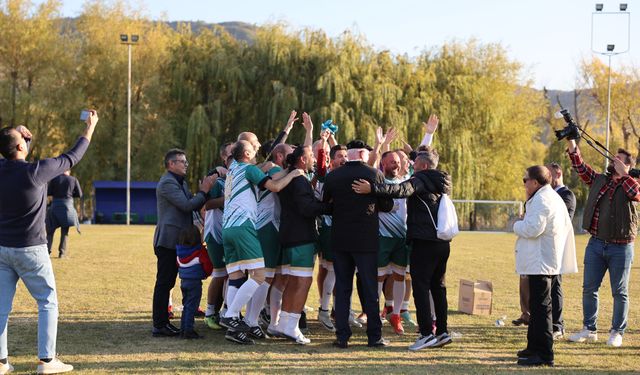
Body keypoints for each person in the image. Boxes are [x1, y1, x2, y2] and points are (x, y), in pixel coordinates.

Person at [0, 110, 98, 375]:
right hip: (31, 249)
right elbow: (72, 156)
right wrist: (89, 128)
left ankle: (0, 363)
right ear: (21, 145)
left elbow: (11, 154)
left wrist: (17, 139)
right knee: (47, 301)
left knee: (1, 306)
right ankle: (46, 361)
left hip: (2, 249)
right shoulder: (36, 172)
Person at [353, 148, 453, 351]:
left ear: (423, 166)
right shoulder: (440, 181)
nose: (411, 166)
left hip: (424, 242)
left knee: (422, 287)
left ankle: (426, 334)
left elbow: (399, 190)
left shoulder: (420, 179)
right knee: (438, 287)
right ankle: (441, 331)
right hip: (442, 243)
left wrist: (371, 189)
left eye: (414, 163)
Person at [219, 140, 302, 345]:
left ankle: (234, 327)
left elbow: (268, 176)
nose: (257, 153)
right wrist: (293, 174)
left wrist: (280, 170)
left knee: (237, 275)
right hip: (243, 226)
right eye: (254, 150)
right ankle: (231, 316)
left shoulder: (233, 169)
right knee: (259, 275)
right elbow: (273, 186)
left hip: (228, 227)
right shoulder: (248, 169)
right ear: (247, 153)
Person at [565, 139, 639, 347]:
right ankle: (589, 329)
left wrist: (625, 173)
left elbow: (636, 194)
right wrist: (572, 142)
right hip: (596, 244)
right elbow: (580, 166)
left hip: (621, 247)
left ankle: (617, 332)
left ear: (627, 166)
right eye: (614, 158)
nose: (613, 161)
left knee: (620, 292)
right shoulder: (600, 180)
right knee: (589, 288)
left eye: (619, 160)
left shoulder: (631, 183)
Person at [322, 139, 393, 349]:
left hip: (341, 238)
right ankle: (374, 336)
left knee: (343, 288)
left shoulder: (333, 176)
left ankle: (342, 336)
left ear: (349, 153)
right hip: (366, 239)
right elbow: (387, 205)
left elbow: (326, 204)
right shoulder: (373, 174)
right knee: (370, 288)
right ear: (363, 153)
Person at [513, 166, 577, 367]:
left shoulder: (542, 199)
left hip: (541, 261)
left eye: (526, 180)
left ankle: (544, 353)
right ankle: (533, 346)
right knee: (537, 306)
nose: (524, 183)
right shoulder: (547, 196)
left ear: (535, 182)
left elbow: (533, 228)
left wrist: (517, 224)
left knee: (541, 309)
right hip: (542, 260)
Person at [152, 149, 215, 338]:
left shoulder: (181, 182)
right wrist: (204, 191)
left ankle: (166, 322)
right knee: (165, 282)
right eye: (182, 161)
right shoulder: (167, 183)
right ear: (170, 164)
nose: (185, 164)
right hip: (168, 240)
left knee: (170, 281)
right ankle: (160, 324)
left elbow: (191, 206)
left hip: (179, 240)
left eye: (185, 161)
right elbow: (187, 205)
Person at [276, 145, 331, 344]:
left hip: (290, 236)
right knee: (302, 282)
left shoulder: (291, 176)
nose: (313, 160)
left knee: (293, 281)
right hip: (301, 237)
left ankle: (285, 322)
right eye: (310, 156)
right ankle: (291, 326)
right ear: (301, 159)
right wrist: (329, 206)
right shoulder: (298, 179)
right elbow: (307, 208)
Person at [315, 144, 348, 332]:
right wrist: (321, 143)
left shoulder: (345, 175)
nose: (344, 159)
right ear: (332, 160)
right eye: (340, 156)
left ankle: (338, 310)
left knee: (340, 271)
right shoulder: (327, 176)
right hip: (329, 227)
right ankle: (324, 310)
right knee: (333, 270)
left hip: (342, 228)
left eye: (346, 156)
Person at [202, 142, 234, 330]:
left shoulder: (236, 175)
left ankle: (227, 312)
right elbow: (207, 204)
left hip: (232, 230)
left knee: (234, 274)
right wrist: (228, 199)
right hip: (217, 231)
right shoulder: (216, 177)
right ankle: (210, 312)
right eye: (231, 153)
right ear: (224, 157)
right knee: (221, 273)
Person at [547, 162, 577, 340]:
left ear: (558, 174)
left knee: (555, 284)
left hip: (558, 246)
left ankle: (558, 325)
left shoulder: (567, 195)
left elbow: (561, 219)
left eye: (548, 174)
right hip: (546, 246)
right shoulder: (548, 194)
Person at [176, 225, 213, 339]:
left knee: (186, 306)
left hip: (184, 281)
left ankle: (183, 329)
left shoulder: (179, 251)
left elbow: (178, 265)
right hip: (195, 283)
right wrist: (206, 274)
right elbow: (208, 266)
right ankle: (188, 330)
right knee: (192, 307)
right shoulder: (200, 252)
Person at [45, 170, 83, 258]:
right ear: (69, 171)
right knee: (64, 232)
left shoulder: (54, 179)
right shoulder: (73, 180)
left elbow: (48, 192)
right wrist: (70, 193)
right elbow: (79, 194)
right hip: (67, 208)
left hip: (55, 207)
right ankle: (62, 253)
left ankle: (47, 252)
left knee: (50, 232)